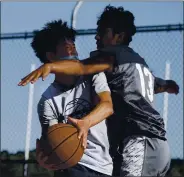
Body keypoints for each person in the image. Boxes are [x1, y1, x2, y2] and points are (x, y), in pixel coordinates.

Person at [18, 6, 179, 176]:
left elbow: (82, 68)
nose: (97, 36)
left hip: (139, 141)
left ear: (119, 36)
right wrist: (168, 85)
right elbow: (155, 85)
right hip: (158, 146)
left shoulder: (110, 59)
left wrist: (50, 66)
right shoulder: (137, 63)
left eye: (102, 31)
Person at [29, 20, 114, 177]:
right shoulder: (48, 100)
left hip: (104, 166)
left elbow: (107, 106)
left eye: (74, 47)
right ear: (51, 57)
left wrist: (86, 122)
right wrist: (45, 157)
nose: (74, 52)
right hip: (73, 166)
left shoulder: (92, 75)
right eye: (67, 48)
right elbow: (52, 140)